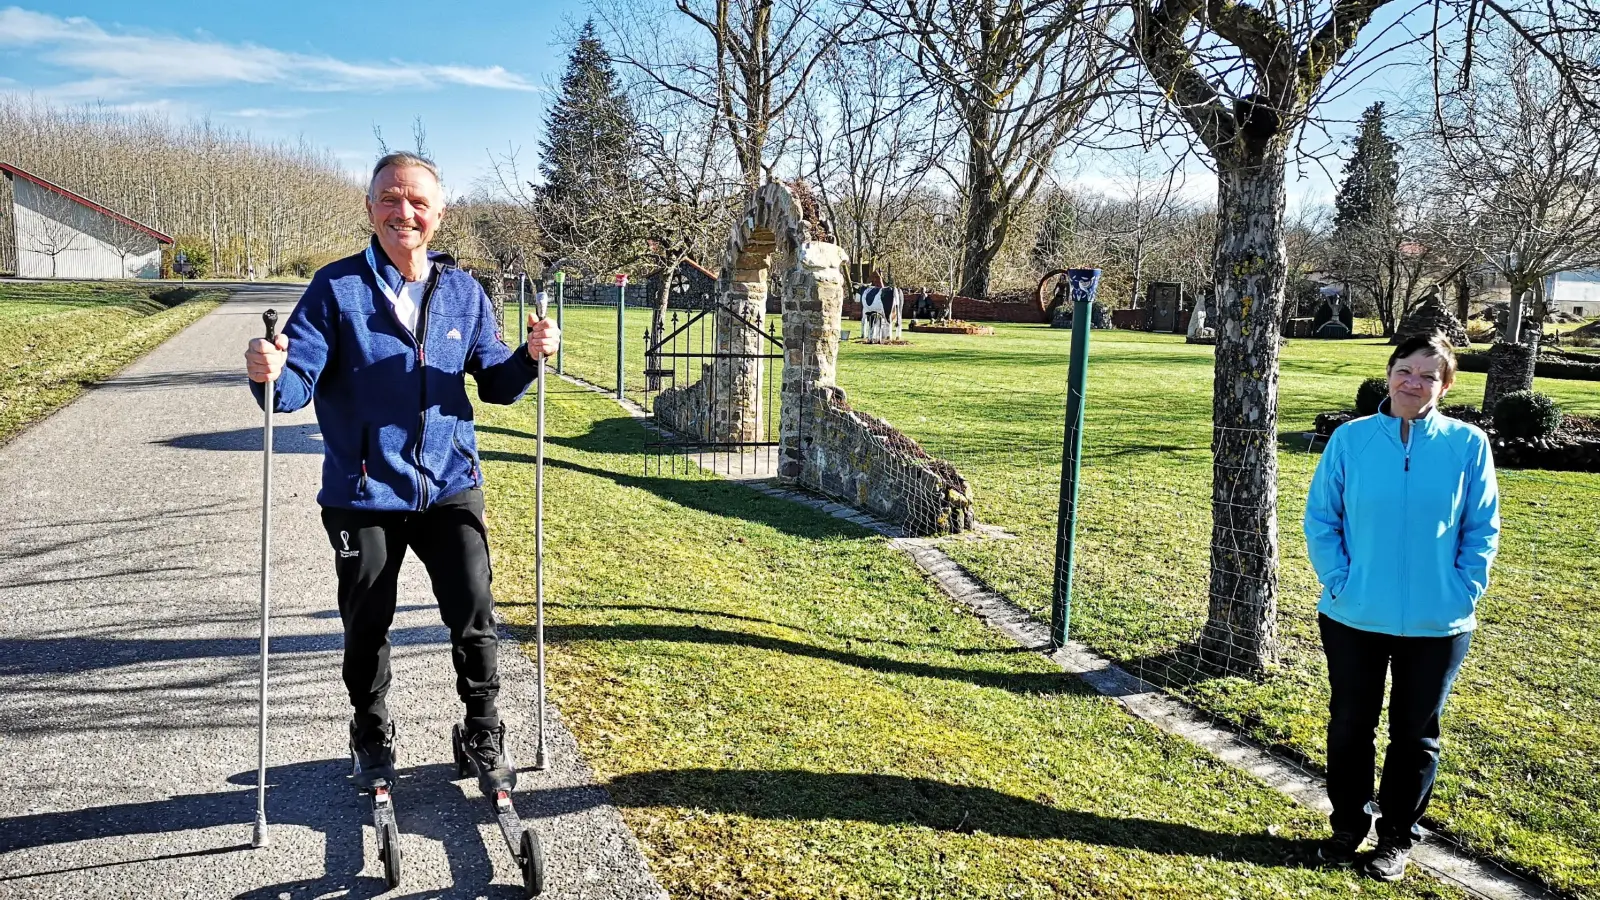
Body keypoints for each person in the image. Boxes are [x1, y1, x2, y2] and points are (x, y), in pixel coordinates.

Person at [244, 150, 560, 796]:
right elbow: (296, 380)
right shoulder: (336, 291)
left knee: (474, 611)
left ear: (438, 216)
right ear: (369, 209)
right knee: (367, 622)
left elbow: (495, 381)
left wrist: (528, 357)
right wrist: (269, 373)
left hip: (448, 484)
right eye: (389, 199)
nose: (403, 212)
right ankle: (370, 729)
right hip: (364, 493)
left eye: (417, 202)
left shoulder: (464, 294)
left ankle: (482, 727)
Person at [1303, 334, 1500, 882]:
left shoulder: (1467, 445)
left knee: (1415, 735)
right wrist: (1340, 581)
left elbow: (1481, 527)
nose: (1414, 383)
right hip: (1354, 615)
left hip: (1439, 622)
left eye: (1429, 375)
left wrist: (1464, 590)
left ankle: (1396, 838)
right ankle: (1347, 826)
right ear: (1389, 373)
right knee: (1350, 725)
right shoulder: (1352, 440)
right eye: (1405, 370)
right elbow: (1322, 518)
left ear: (1446, 384)